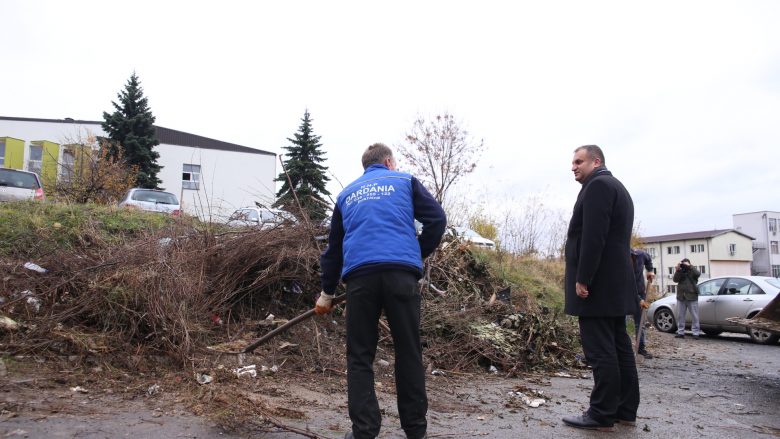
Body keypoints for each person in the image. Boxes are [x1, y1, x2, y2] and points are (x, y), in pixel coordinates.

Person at [315, 143, 446, 439]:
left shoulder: (347, 194)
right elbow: (437, 219)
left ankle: (364, 431)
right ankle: (415, 430)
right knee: (408, 350)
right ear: (388, 162)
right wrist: (417, 253)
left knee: (360, 355)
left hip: (361, 278)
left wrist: (326, 292)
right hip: (402, 276)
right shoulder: (404, 181)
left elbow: (332, 250)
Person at [562, 145, 640, 432]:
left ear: (597, 161)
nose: (573, 166)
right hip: (615, 283)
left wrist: (583, 277)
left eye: (578, 161)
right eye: (572, 162)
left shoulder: (598, 187)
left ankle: (601, 413)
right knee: (619, 347)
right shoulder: (617, 186)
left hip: (599, 284)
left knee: (600, 350)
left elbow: (594, 235)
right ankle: (624, 410)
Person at [630, 248, 655, 358]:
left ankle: (640, 348)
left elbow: (648, 258)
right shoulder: (620, 263)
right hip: (625, 294)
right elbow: (627, 286)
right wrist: (638, 299)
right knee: (622, 323)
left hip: (640, 291)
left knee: (640, 323)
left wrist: (650, 270)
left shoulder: (640, 254)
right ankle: (622, 350)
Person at [673, 258, 701, 339]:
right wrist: (678, 270)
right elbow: (675, 280)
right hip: (681, 297)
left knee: (695, 316)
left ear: (689, 263)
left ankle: (696, 333)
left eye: (685, 264)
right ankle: (680, 332)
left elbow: (698, 274)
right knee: (680, 316)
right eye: (683, 264)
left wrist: (690, 266)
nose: (684, 265)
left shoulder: (692, 270)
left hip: (692, 296)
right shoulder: (681, 271)